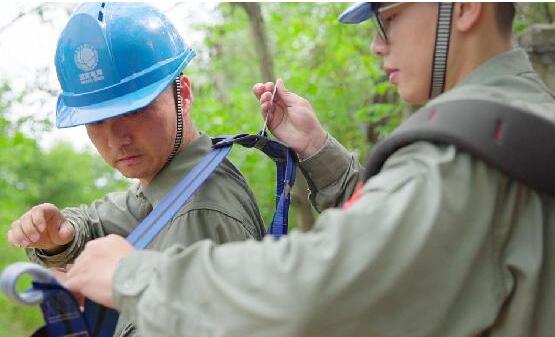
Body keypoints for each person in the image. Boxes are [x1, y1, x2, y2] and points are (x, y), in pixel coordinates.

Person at [50, 2, 555, 337]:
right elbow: (410, 232)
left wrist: (133, 277)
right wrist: (316, 148)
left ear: (465, 7)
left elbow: (310, 294)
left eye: (390, 17)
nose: (379, 44)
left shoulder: (463, 159)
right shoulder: (516, 125)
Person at [6, 3, 265, 337]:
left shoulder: (198, 210)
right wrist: (60, 237)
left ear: (182, 92)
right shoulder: (172, 183)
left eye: (135, 110)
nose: (117, 139)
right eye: (97, 120)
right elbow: (108, 216)